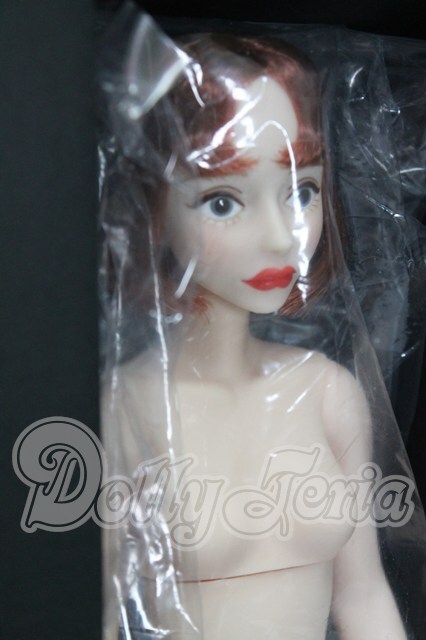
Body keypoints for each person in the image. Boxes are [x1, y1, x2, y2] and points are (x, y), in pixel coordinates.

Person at [103, 34, 407, 640]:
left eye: (301, 192)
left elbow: (363, 596)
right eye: (222, 202)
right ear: (154, 207)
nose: (279, 236)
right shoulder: (127, 405)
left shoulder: (326, 392)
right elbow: (101, 612)